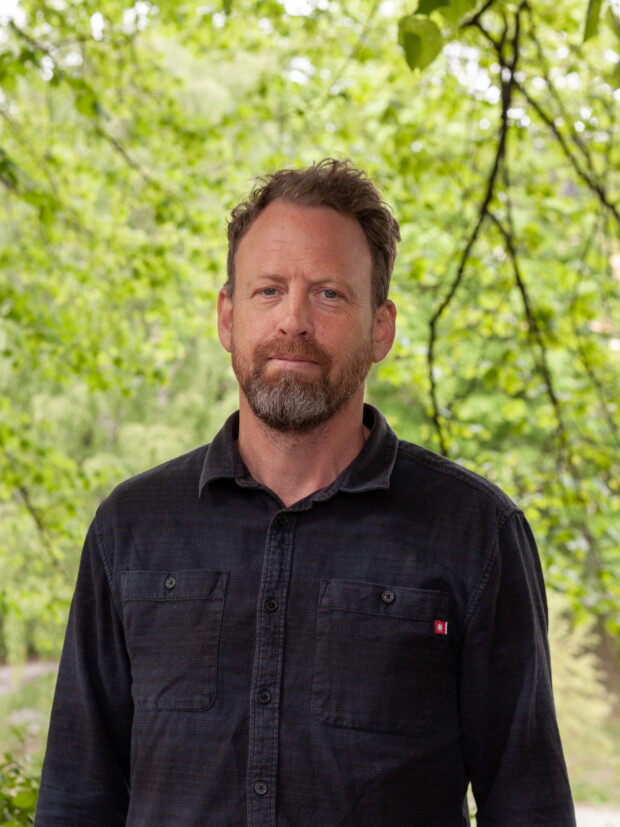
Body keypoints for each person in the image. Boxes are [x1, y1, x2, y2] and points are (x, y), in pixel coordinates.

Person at [36, 158, 576, 826]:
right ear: (227, 317)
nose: (292, 320)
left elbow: (528, 806)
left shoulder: (476, 534)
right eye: (268, 290)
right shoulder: (131, 528)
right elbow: (76, 798)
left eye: (329, 294)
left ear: (380, 328)